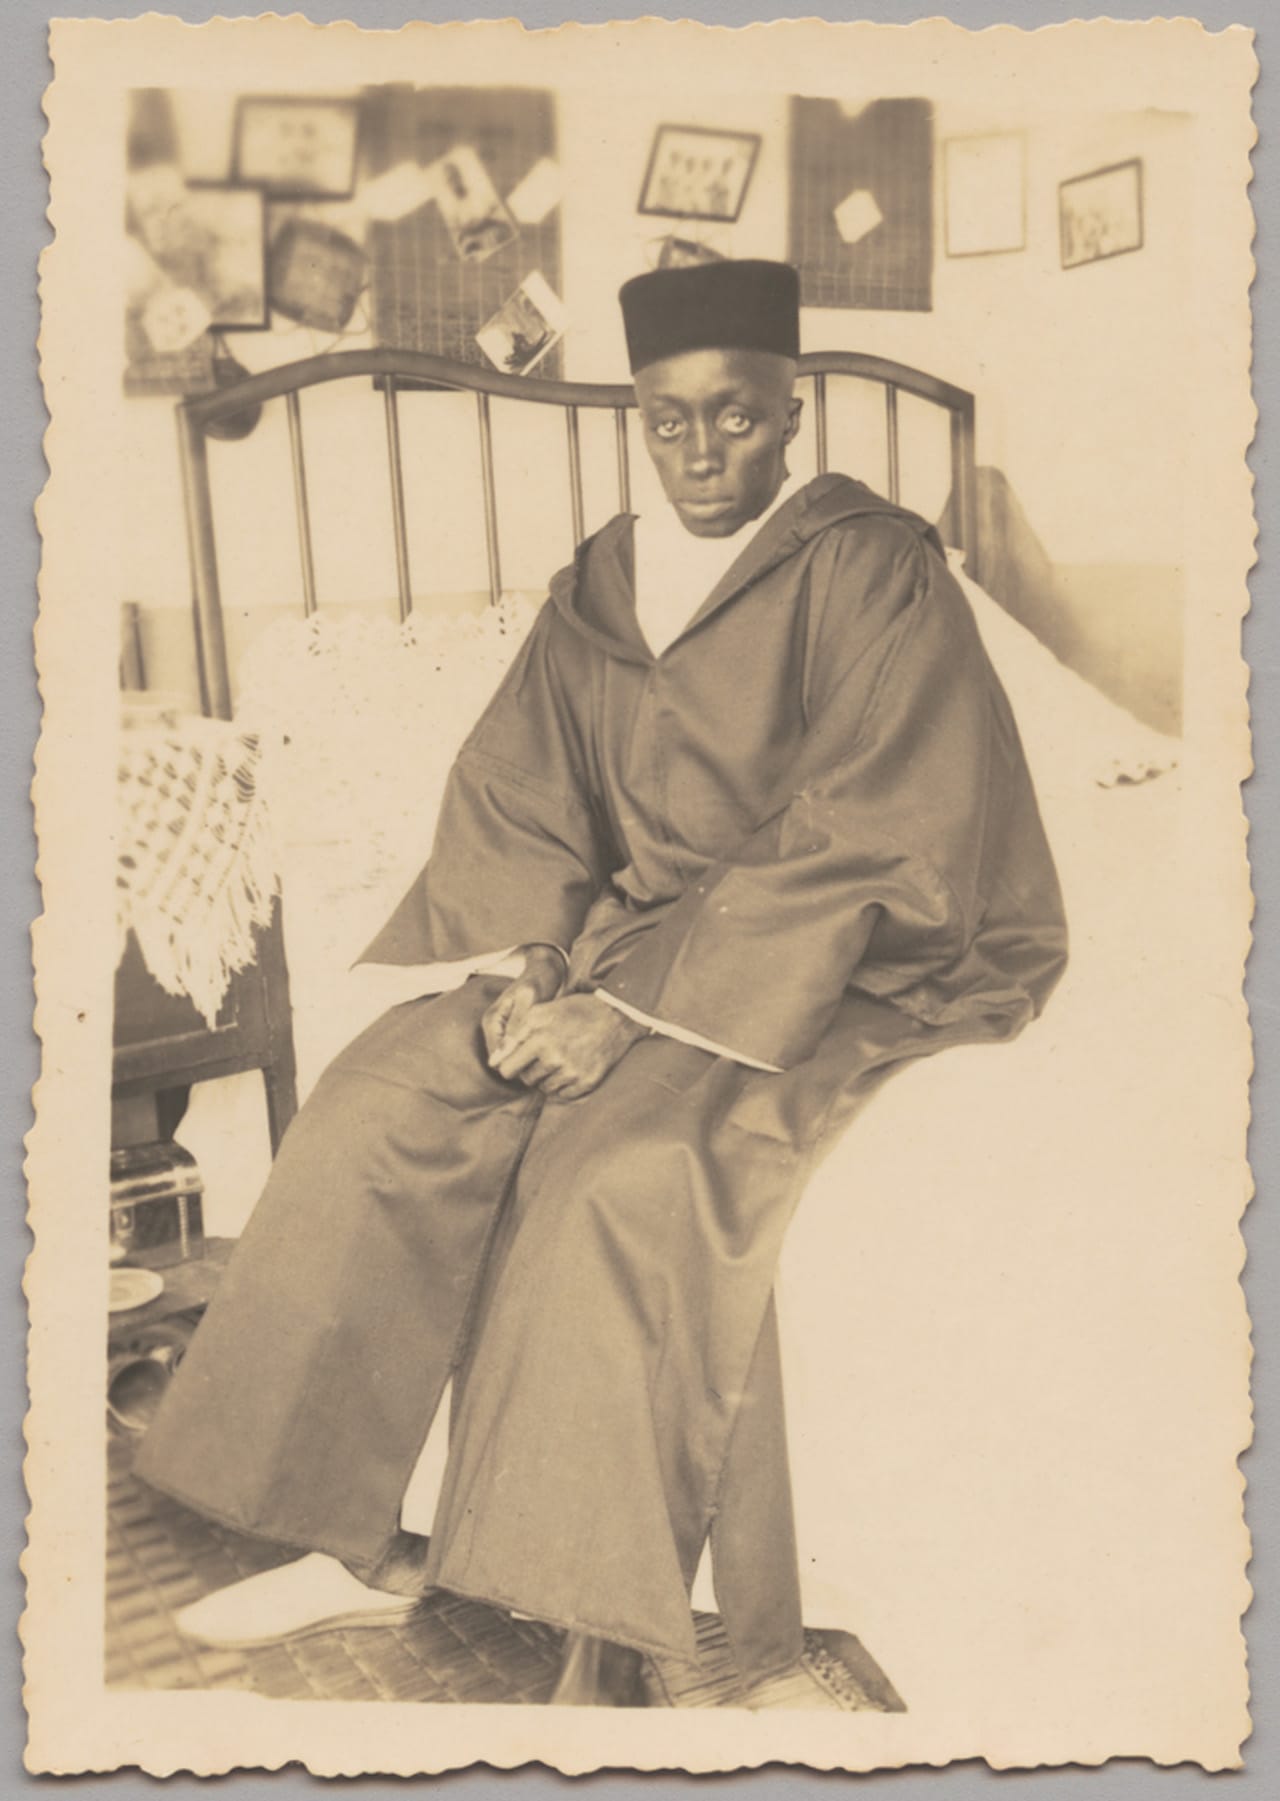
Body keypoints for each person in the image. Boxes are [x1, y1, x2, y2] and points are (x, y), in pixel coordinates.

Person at [135, 259, 1068, 1707]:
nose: (701, 454)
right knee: (382, 1097)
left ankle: (579, 1600)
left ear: (791, 413)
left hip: (843, 944)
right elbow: (533, 792)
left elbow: (869, 827)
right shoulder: (604, 581)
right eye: (668, 421)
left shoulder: (876, 564)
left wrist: (624, 1014)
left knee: (621, 1172)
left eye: (737, 418)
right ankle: (358, 1541)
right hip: (633, 936)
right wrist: (536, 962)